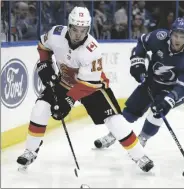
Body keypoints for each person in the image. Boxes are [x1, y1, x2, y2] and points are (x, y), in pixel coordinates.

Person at [16, 7, 154, 173]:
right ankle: (30, 151)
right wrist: (45, 63)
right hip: (65, 81)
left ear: (88, 29)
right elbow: (43, 46)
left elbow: (86, 84)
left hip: (92, 86)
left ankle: (139, 155)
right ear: (69, 26)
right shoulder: (56, 33)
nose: (78, 34)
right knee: (40, 108)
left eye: (83, 31)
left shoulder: (92, 49)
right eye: (75, 29)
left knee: (114, 120)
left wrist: (68, 101)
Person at [94, 17, 184, 148]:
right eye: (175, 35)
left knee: (157, 111)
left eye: (182, 37)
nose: (177, 40)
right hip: (151, 82)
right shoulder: (159, 37)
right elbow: (142, 43)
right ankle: (113, 135)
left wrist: (170, 99)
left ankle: (142, 139)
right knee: (132, 109)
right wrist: (137, 63)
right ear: (170, 33)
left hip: (171, 89)